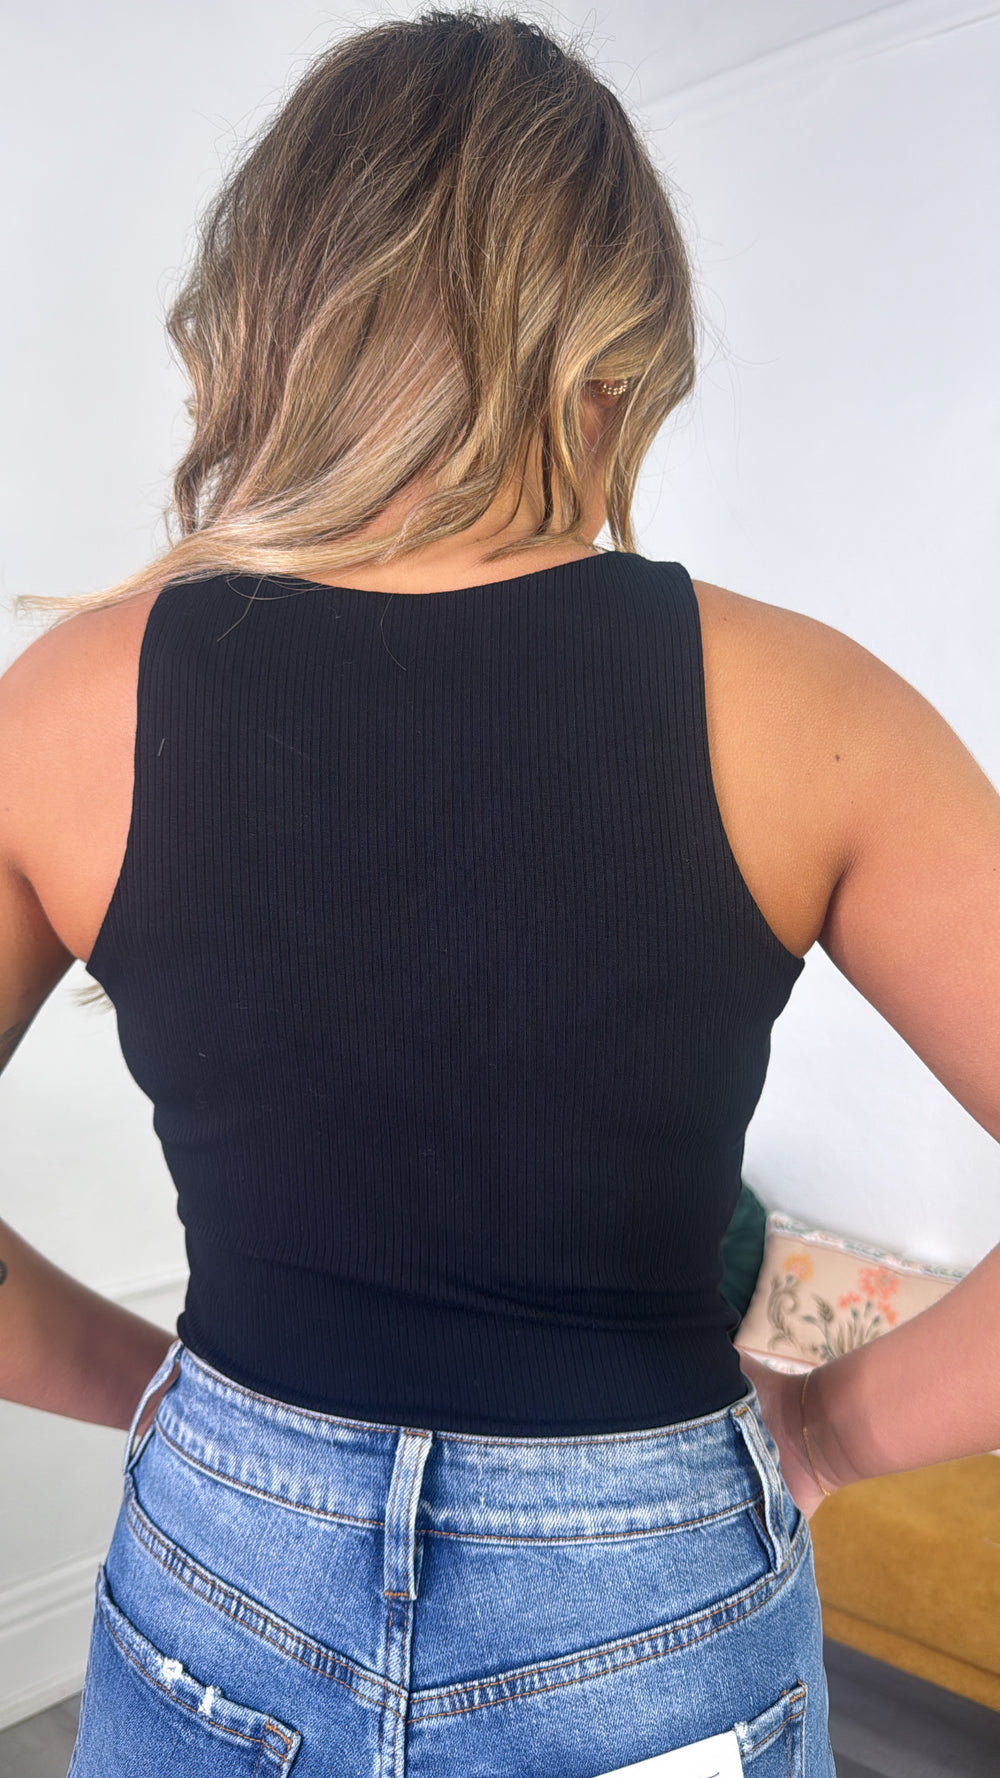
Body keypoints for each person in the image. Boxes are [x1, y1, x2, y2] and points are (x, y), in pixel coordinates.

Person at [1, 9, 998, 1775]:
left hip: (227, 1554)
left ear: (275, 313)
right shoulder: (810, 709)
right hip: (651, 1588)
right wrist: (836, 1432)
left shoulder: (68, 706)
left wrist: (147, 1382)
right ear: (610, 355)